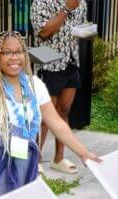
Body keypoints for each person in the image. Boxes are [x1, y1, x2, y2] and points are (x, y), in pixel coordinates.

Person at [0, 30, 99, 198]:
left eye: (19, 51)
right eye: (7, 52)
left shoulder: (35, 85)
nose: (14, 57)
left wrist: (83, 153)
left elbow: (56, 123)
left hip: (23, 157)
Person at [32, 0, 91, 175]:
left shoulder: (80, 3)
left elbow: (81, 30)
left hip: (71, 62)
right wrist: (66, 9)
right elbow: (43, 32)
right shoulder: (41, 2)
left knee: (63, 111)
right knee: (44, 116)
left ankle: (58, 159)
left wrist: (87, 31)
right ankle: (35, 160)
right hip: (49, 62)